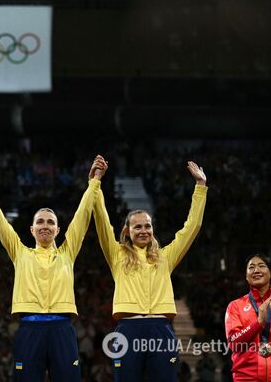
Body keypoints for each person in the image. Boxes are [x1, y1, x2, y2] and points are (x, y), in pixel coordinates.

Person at [0, 154, 105, 381]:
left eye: (50, 222)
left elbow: (83, 215)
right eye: (40, 222)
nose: (45, 226)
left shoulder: (67, 253)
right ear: (32, 229)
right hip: (29, 329)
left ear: (58, 230)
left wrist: (94, 182)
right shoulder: (20, 253)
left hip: (62, 329)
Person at [93, 159, 207, 381]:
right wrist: (96, 184)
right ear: (127, 231)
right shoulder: (117, 254)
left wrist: (200, 187)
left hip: (160, 330)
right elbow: (101, 221)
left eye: (148, 226)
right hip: (128, 329)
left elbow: (192, 227)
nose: (144, 230)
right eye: (138, 226)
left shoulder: (165, 257)